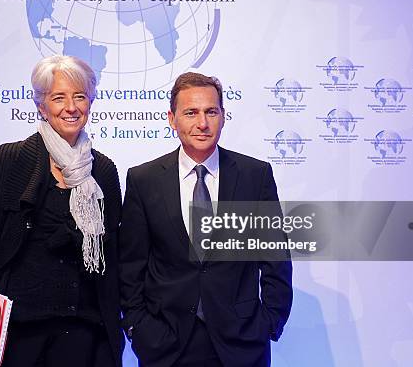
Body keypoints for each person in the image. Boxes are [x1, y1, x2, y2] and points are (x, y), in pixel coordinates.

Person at [0, 55, 124, 367]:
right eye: (59, 98)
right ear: (41, 105)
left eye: (80, 96)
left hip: (82, 333)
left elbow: (113, 260)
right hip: (18, 334)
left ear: (91, 103)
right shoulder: (10, 161)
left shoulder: (103, 171)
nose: (71, 107)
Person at [119, 72, 293, 367]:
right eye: (191, 113)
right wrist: (139, 328)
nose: (202, 123)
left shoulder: (255, 175)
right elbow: (130, 267)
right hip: (166, 345)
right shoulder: (143, 179)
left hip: (241, 345)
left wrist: (268, 324)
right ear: (172, 119)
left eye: (211, 111)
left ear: (223, 116)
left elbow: (276, 260)